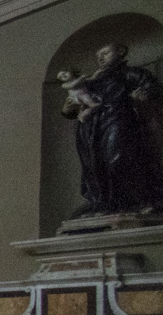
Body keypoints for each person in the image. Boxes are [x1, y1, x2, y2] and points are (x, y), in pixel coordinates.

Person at [64, 43, 160, 217]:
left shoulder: (130, 73)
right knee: (94, 165)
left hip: (118, 120)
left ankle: (139, 200)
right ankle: (105, 204)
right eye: (97, 56)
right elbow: (77, 104)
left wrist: (144, 93)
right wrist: (68, 108)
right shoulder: (92, 81)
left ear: (121, 52)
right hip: (90, 127)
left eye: (105, 53)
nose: (100, 58)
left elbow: (153, 88)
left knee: (117, 158)